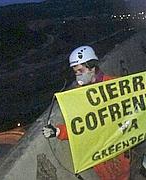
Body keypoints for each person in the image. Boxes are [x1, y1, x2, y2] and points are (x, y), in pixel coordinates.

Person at [42, 45, 130, 180]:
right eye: (75, 72)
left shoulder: (113, 85)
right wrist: (58, 131)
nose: (78, 75)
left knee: (123, 174)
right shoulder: (79, 95)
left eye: (80, 71)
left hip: (117, 145)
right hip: (98, 153)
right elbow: (80, 124)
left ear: (92, 68)